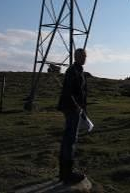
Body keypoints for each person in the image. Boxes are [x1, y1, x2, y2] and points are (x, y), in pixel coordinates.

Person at [58, 48, 87, 184]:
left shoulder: (78, 70)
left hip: (73, 108)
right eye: (82, 56)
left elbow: (80, 91)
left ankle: (63, 173)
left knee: (68, 139)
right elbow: (68, 92)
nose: (84, 58)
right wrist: (76, 107)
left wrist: (82, 109)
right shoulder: (72, 71)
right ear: (76, 57)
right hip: (71, 108)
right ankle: (67, 174)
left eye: (85, 56)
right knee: (70, 140)